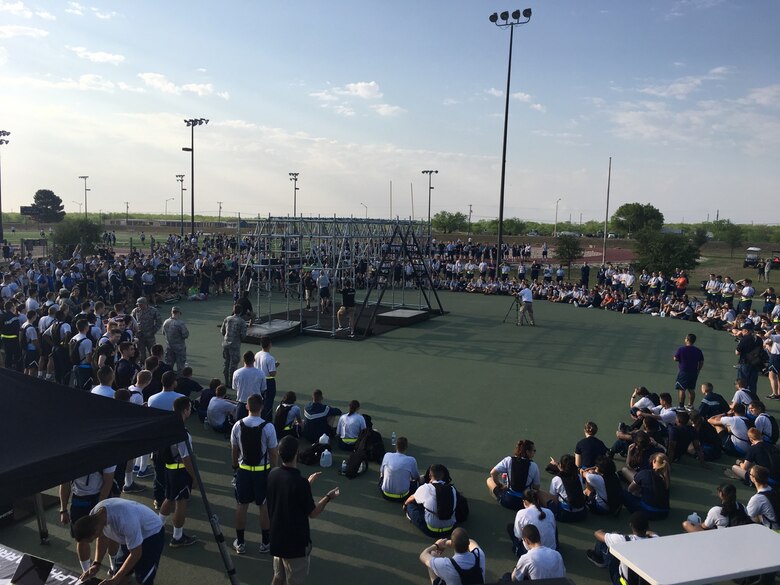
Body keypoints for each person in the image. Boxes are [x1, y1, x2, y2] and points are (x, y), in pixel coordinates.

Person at [267, 435, 339, 585]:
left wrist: (307, 483)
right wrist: (328, 497)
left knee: (278, 576)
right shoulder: (300, 483)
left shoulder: (273, 474)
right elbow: (313, 513)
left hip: (276, 538)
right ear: (296, 454)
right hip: (294, 544)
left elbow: (287, 493)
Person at [72, 498, 165, 585]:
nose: (91, 541)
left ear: (95, 531)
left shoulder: (125, 521)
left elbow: (136, 554)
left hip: (152, 534)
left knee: (143, 578)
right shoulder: (94, 515)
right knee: (119, 574)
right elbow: (102, 537)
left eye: (90, 539)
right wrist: (97, 563)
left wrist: (115, 579)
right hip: (129, 537)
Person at [231, 393, 279, 555]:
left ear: (247, 407)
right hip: (262, 473)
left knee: (241, 506)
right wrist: (274, 470)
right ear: (262, 407)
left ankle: (241, 542)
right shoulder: (268, 427)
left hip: (243, 472)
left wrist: (235, 466)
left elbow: (234, 449)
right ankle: (265, 542)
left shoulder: (238, 425)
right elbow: (273, 453)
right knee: (263, 506)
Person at [59, 466, 117, 573]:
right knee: (81, 538)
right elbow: (65, 483)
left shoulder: (105, 453)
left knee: (107, 534)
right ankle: (87, 572)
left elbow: (108, 483)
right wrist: (63, 510)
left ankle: (114, 566)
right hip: (79, 500)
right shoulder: (70, 457)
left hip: (100, 498)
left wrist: (98, 510)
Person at [158, 396, 197, 548]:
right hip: (180, 472)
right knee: (181, 503)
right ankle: (177, 536)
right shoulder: (183, 433)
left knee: (169, 498)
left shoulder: (167, 426)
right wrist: (194, 476)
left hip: (169, 469)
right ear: (185, 410)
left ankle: (157, 526)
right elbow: (186, 458)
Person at [586, 512, 658, 585]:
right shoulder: (656, 539)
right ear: (648, 526)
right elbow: (651, 533)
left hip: (623, 583)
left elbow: (598, 534)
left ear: (631, 525)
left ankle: (599, 560)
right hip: (647, 581)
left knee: (605, 544)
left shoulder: (623, 540)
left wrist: (619, 535)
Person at [404, 463, 458, 538]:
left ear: (429, 475)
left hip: (431, 531)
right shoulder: (453, 489)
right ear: (443, 475)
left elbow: (410, 499)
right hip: (450, 529)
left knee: (410, 505)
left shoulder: (425, 488)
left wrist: (405, 505)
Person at [419, 527, 486, 585]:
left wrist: (436, 545)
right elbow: (471, 541)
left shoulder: (446, 564)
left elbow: (423, 556)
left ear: (453, 545)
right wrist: (448, 543)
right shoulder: (479, 555)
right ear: (467, 543)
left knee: (432, 555)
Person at [487, 440, 541, 511]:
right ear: (527, 452)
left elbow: (493, 473)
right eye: (534, 450)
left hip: (507, 501)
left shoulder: (508, 460)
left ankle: (498, 495)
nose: (535, 452)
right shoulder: (534, 466)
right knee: (540, 492)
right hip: (524, 504)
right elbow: (536, 487)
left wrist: (500, 485)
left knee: (489, 480)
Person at [508, 488, 557, 557]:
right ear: (538, 500)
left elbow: (518, 535)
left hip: (533, 554)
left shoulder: (521, 513)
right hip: (552, 551)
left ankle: (517, 549)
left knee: (510, 527)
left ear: (524, 502)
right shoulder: (549, 512)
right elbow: (554, 529)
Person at [623, 452, 671, 520]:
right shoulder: (666, 478)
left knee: (623, 493)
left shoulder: (644, 473)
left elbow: (630, 489)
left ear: (654, 461)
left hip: (647, 513)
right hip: (664, 514)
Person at [682, 483, 749, 532]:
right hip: (739, 536)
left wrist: (697, 524)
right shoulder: (742, 506)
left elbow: (705, 526)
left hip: (722, 540)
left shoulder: (715, 510)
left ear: (721, 494)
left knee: (686, 524)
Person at [543, 454, 587, 522]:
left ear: (561, 466)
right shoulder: (579, 477)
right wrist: (557, 465)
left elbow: (554, 500)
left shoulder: (556, 480)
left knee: (548, 501)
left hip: (565, 515)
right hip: (582, 513)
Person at [379, 436, 420, 501]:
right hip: (403, 497)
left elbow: (382, 473)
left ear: (396, 446)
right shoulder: (411, 460)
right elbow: (416, 478)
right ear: (406, 447)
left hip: (385, 495)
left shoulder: (387, 455)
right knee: (419, 481)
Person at [673, 333, 704, 408]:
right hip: (694, 373)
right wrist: (698, 370)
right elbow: (701, 362)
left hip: (684, 372)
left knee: (681, 389)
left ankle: (681, 406)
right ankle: (690, 405)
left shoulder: (681, 349)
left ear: (687, 339)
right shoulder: (698, 350)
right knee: (691, 389)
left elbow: (675, 358)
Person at [233, 350, 266, 420]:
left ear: (243, 360)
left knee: (240, 426)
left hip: (242, 403)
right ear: (254, 360)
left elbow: (235, 387)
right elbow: (263, 389)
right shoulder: (261, 373)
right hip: (256, 405)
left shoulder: (236, 373)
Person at [221, 303, 247, 388]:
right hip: (235, 345)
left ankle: (226, 381)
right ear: (241, 311)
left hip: (226, 343)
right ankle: (232, 382)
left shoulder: (227, 319)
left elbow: (222, 331)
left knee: (226, 363)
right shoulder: (242, 322)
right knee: (233, 364)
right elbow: (243, 336)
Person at [254, 336, 278, 421]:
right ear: (270, 344)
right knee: (268, 403)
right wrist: (275, 367)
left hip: (258, 380)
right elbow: (272, 373)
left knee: (259, 400)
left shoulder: (257, 354)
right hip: (268, 381)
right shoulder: (270, 358)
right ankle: (266, 420)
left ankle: (258, 416)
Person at [131, 297, 161, 364]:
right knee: (141, 355)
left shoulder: (153, 311)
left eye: (140, 304)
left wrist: (153, 331)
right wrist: (134, 331)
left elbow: (159, 322)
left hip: (150, 336)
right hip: (139, 337)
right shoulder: (135, 311)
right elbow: (131, 321)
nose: (139, 306)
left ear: (145, 303)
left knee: (153, 353)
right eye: (138, 305)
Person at [735, 322, 763, 393]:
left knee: (742, 384)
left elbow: (737, 352)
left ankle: (742, 400)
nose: (741, 331)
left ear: (747, 331)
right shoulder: (759, 339)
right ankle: (753, 401)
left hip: (745, 363)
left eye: (743, 330)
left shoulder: (745, 339)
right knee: (752, 384)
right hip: (755, 363)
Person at [161, 306, 188, 373]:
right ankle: (180, 379)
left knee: (169, 365)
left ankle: (168, 379)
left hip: (169, 346)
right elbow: (185, 335)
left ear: (172, 312)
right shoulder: (180, 323)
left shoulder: (166, 322)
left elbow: (163, 333)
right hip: (179, 347)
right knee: (180, 366)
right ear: (178, 313)